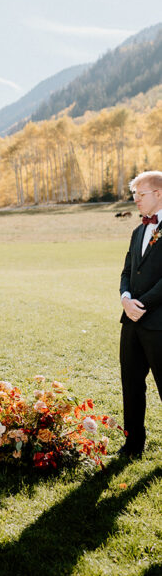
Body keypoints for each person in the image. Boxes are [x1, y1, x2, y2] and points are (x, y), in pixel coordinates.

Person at [119, 170, 162, 458]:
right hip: (131, 323)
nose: (136, 199)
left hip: (158, 324)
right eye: (134, 194)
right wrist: (125, 299)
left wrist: (140, 305)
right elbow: (126, 271)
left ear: (159, 194)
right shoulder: (138, 231)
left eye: (141, 194)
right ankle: (133, 444)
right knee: (131, 385)